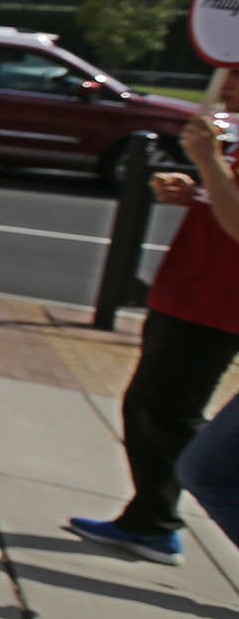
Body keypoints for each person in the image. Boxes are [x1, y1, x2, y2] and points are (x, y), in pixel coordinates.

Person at [65, 82, 239, 565]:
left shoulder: (221, 145)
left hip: (216, 306)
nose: (224, 90)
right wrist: (196, 191)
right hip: (187, 294)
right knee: (149, 408)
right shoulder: (234, 136)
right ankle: (149, 520)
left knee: (172, 418)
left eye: (236, 78)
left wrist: (207, 163)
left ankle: (157, 521)